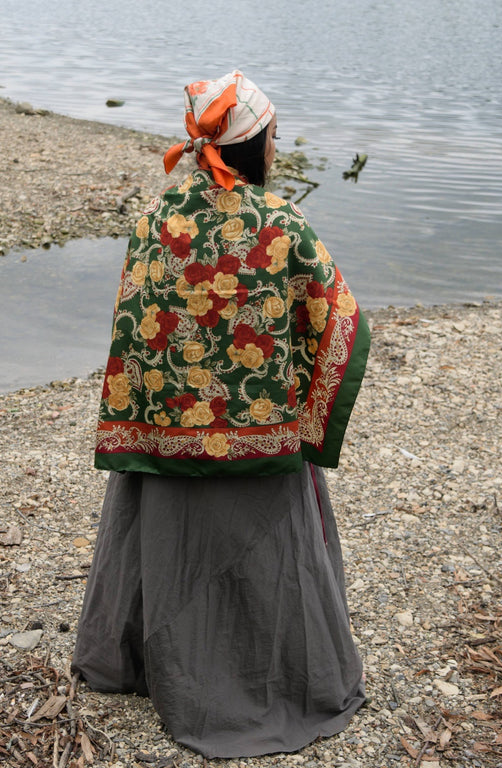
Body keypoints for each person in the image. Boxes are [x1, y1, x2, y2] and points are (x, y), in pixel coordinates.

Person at [72, 69, 371, 759]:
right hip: (257, 443)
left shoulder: (155, 218)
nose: (277, 147)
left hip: (163, 441)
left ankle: (137, 663)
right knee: (275, 563)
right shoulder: (281, 221)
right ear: (255, 144)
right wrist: (304, 409)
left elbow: (137, 324)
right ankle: (279, 679)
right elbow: (339, 321)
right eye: (273, 135)